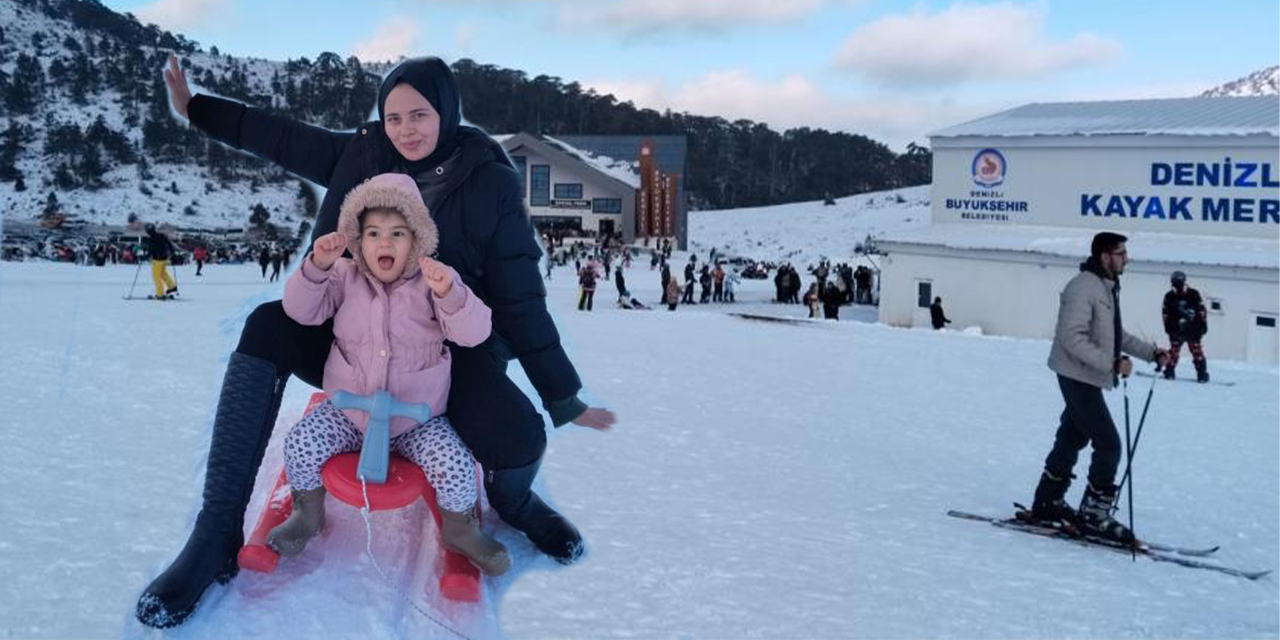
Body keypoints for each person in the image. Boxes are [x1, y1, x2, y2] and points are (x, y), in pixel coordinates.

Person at [137, 54, 616, 628]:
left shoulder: (489, 180)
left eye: (419, 114)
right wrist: (196, 108)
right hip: (352, 332)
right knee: (266, 323)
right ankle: (215, 531)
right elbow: (278, 137)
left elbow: (520, 298)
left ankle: (512, 502)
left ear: (447, 111)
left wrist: (562, 395)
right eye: (393, 116)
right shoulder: (362, 152)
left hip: (444, 353)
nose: (406, 129)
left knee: (517, 437)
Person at [269, 173, 508, 575]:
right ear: (357, 240)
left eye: (398, 233)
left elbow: (475, 333)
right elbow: (300, 310)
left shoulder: (434, 282)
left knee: (455, 465)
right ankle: (307, 512)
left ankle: (459, 529)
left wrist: (451, 293)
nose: (385, 242)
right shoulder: (343, 277)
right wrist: (318, 267)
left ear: (416, 240)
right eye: (374, 232)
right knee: (300, 445)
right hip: (350, 412)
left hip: (418, 418)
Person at [1027, 232, 1168, 544]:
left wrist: (1152, 353)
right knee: (1108, 444)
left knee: (1071, 437)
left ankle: (1047, 501)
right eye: (1121, 253)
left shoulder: (1105, 288)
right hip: (1076, 374)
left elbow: (1117, 335)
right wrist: (1111, 364)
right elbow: (1071, 337)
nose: (1126, 259)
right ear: (1105, 256)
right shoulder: (1083, 288)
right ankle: (1094, 514)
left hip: (1087, 374)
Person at [1162, 271, 1210, 383]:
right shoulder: (1170, 296)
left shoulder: (1192, 294)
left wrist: (1203, 325)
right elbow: (1165, 314)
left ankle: (1201, 374)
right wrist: (1168, 327)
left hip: (1191, 329)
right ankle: (1170, 371)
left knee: (1193, 351)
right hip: (1179, 329)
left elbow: (1201, 310)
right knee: (1176, 351)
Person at [144, 223, 178, 299]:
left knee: (156, 276)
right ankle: (172, 286)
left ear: (148, 231)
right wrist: (172, 253)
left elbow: (151, 250)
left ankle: (159, 293)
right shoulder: (161, 236)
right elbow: (169, 244)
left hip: (157, 260)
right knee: (163, 274)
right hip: (164, 259)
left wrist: (145, 256)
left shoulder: (151, 239)